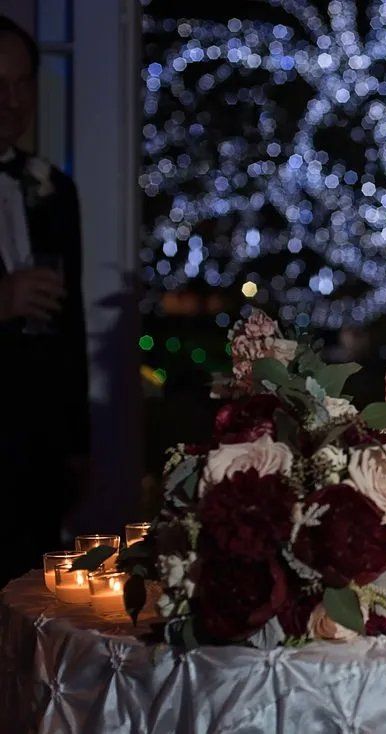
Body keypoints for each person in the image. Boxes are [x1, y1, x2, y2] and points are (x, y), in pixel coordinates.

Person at [0, 17, 89, 586]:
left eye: (22, 83)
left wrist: (76, 444)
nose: (12, 101)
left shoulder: (55, 189)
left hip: (36, 449)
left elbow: (72, 324)